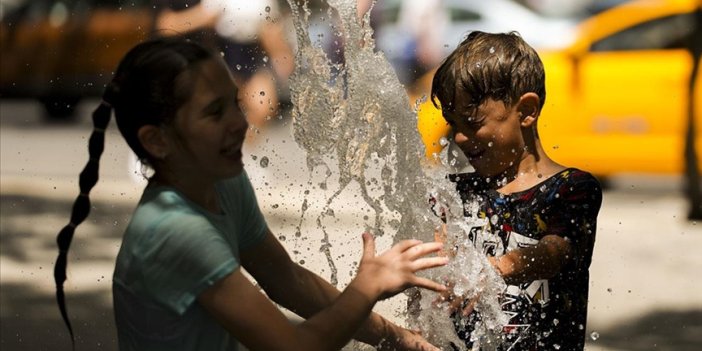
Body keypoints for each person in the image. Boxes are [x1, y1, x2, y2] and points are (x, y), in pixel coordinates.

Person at [54, 38, 450, 351]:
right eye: (214, 112)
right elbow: (293, 346)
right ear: (156, 140)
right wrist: (369, 285)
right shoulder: (175, 232)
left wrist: (399, 338)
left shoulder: (221, 182)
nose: (239, 124)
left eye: (234, 103)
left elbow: (288, 280)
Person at [429, 31, 603, 350]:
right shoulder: (454, 192)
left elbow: (555, 253)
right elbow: (437, 258)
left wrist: (490, 271)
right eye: (454, 125)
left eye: (472, 123)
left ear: (525, 111)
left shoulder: (570, 189)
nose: (459, 139)